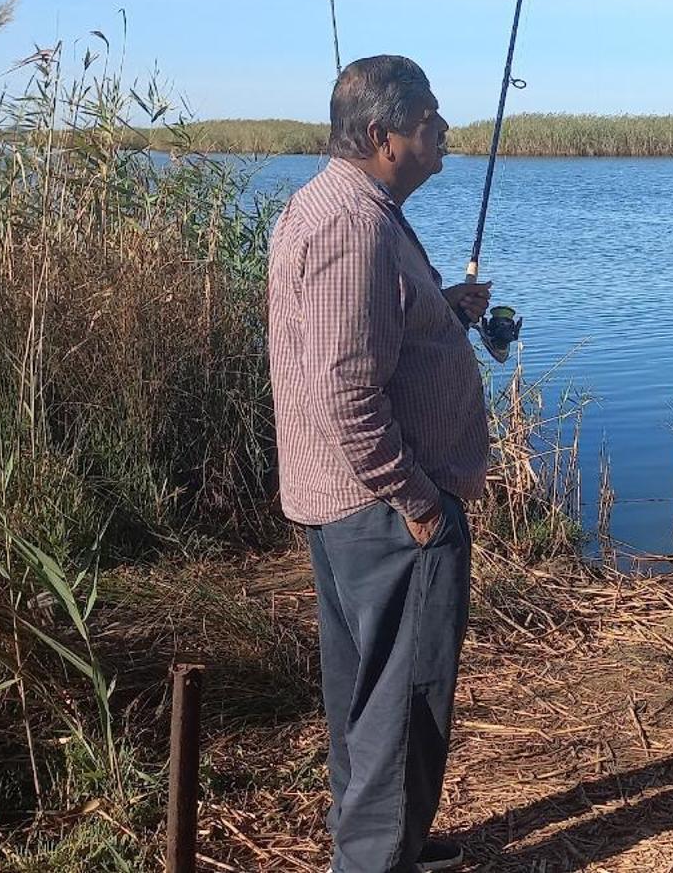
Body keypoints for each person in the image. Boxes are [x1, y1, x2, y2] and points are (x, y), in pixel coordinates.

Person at [267, 55, 492, 873]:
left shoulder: (346, 207)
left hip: (349, 504)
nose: (443, 136)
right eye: (429, 124)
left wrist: (444, 312)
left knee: (369, 694)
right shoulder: (352, 226)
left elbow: (365, 342)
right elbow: (346, 392)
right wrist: (421, 502)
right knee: (403, 697)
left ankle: (386, 841)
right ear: (381, 135)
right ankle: (374, 862)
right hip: (384, 513)